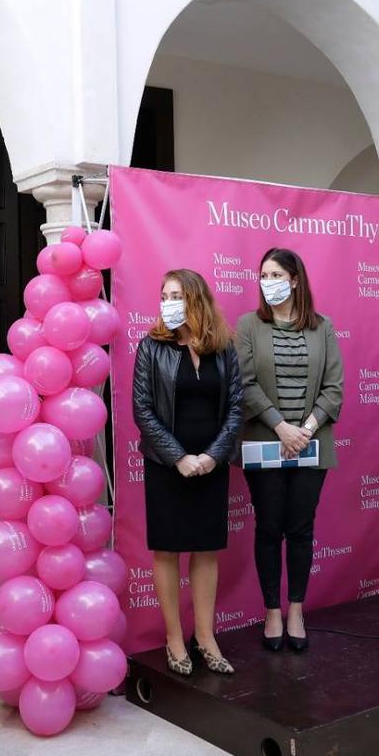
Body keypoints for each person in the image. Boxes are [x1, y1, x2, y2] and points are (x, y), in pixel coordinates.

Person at [132, 269, 242, 676]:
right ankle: (174, 637)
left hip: (211, 464)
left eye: (175, 295)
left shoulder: (224, 348)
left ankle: (206, 636)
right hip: (166, 464)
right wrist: (179, 457)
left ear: (196, 299)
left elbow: (235, 407)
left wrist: (213, 456)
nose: (167, 302)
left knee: (205, 548)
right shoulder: (151, 346)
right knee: (167, 549)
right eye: (164, 295)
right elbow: (142, 410)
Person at [235, 249, 343, 653]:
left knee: (300, 529)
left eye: (276, 273)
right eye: (263, 274)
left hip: (311, 446)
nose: (268, 280)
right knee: (268, 527)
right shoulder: (248, 325)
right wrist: (281, 427)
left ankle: (296, 608)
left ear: (295, 279)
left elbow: (334, 388)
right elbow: (245, 384)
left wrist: (306, 429)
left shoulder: (323, 327)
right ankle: (272, 611)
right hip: (265, 443)